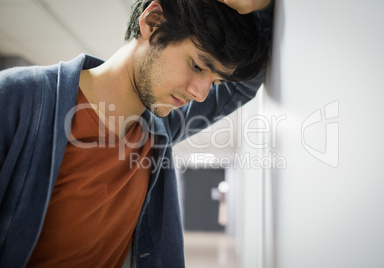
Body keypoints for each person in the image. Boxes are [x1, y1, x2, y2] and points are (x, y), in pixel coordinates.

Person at [0, 0, 274, 267]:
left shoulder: (159, 127)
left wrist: (260, 6)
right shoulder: (17, 97)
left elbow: (242, 86)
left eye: (214, 81)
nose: (201, 94)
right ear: (152, 22)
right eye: (197, 66)